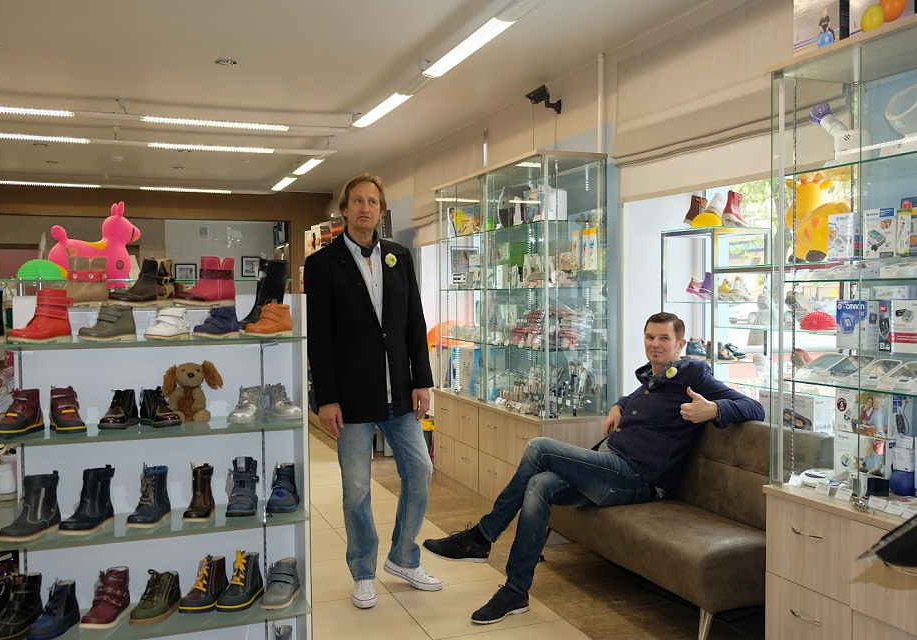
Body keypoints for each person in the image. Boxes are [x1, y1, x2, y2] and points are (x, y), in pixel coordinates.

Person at [423, 311, 765, 625]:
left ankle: (481, 538)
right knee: (540, 485)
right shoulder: (654, 377)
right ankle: (515, 591)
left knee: (539, 448)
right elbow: (641, 399)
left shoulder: (693, 374)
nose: (655, 344)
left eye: (664, 338)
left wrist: (713, 410)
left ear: (680, 344)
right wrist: (619, 405)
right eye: (650, 337)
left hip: (638, 479)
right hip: (612, 468)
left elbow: (753, 407)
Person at [305, 172, 438, 610]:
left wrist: (422, 381)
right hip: (351, 398)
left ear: (381, 211)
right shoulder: (322, 264)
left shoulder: (400, 256)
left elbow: (414, 322)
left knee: (420, 472)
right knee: (357, 491)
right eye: (358, 201)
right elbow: (320, 337)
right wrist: (326, 397)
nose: (366, 208)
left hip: (399, 392)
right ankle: (363, 571)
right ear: (344, 210)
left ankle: (403, 557)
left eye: (373, 202)